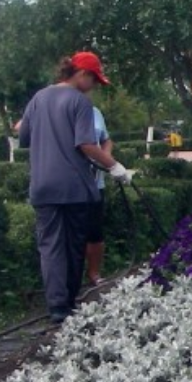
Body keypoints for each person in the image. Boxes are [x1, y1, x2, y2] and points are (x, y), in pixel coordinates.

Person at [15, 50, 133, 323]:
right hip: (74, 187)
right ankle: (68, 303)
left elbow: (24, 136)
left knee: (50, 246)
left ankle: (56, 307)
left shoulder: (38, 98)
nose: (94, 87)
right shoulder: (80, 102)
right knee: (73, 245)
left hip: (42, 187)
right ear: (81, 74)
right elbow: (86, 144)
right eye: (94, 80)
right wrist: (115, 167)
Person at [84, 103, 114, 290]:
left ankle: (94, 273)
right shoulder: (59, 111)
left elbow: (106, 139)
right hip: (70, 183)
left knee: (95, 231)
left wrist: (105, 157)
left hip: (95, 183)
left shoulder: (94, 112)